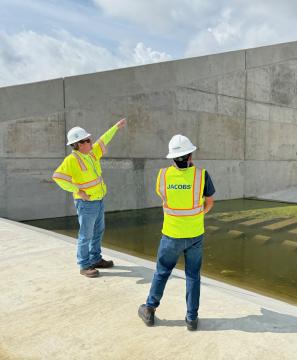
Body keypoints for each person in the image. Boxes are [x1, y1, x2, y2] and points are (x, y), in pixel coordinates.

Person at [138, 134, 215, 330]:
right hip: (195, 235)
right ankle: (191, 318)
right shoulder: (202, 175)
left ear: (172, 157)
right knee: (193, 276)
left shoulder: (162, 176)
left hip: (171, 235)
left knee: (162, 272)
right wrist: (197, 215)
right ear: (190, 156)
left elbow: (164, 197)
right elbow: (209, 203)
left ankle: (150, 309)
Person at [52, 118, 127, 278]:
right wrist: (78, 191)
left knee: (98, 231)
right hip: (86, 203)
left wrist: (116, 127)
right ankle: (84, 265)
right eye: (86, 140)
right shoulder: (71, 160)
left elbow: (103, 139)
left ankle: (95, 259)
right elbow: (58, 177)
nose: (90, 142)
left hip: (98, 200)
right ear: (78, 144)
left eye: (89, 139)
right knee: (86, 235)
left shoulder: (92, 154)